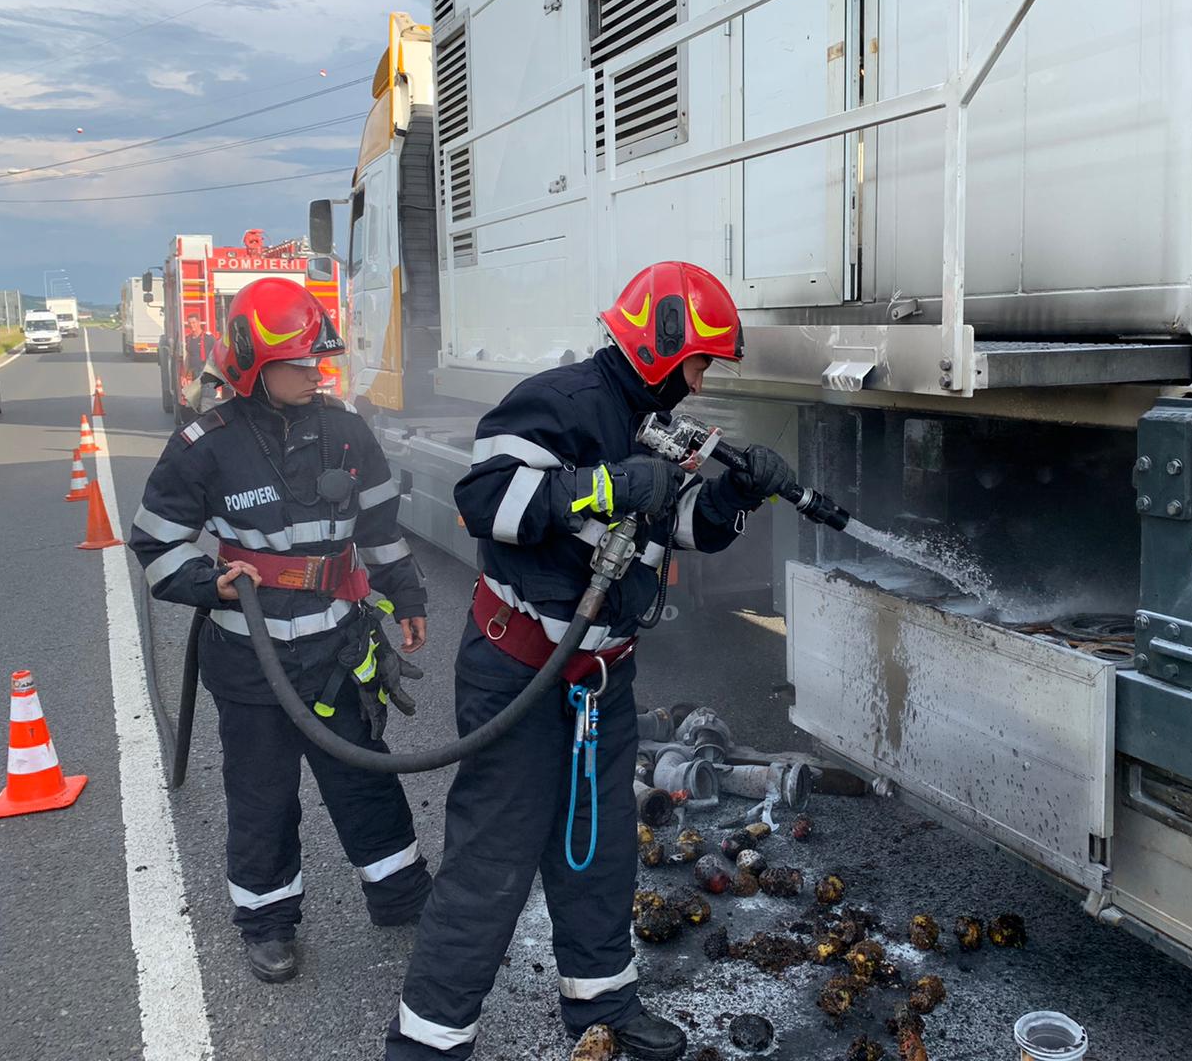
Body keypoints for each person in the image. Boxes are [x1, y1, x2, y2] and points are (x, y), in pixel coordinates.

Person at [386, 262, 794, 1061]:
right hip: (522, 668)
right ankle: (426, 1042)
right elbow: (487, 502)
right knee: (494, 858)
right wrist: (602, 486)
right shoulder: (556, 402)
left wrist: (738, 497)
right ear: (661, 342)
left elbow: (684, 529)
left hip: (600, 679)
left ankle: (603, 1004)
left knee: (598, 845)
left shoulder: (654, 417)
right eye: (700, 361)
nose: (703, 380)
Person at [129, 277, 432, 984]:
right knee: (262, 797)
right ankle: (267, 924)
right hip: (250, 659)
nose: (315, 372)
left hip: (335, 648)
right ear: (252, 366)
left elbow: (381, 529)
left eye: (316, 360)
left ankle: (401, 895)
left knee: (363, 774)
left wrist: (408, 596)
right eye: (299, 362)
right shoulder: (205, 446)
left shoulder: (347, 432)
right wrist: (210, 581)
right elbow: (156, 546)